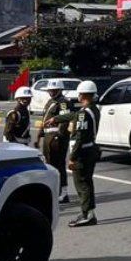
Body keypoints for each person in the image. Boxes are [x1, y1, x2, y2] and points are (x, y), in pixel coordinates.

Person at [48, 80, 101, 227]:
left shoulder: (84, 114)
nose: (77, 96)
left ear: (83, 94)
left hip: (82, 152)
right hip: (91, 149)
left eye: (79, 94)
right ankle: (89, 212)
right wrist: (55, 119)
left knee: (82, 184)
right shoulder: (93, 109)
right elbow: (73, 115)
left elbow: (80, 137)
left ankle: (87, 215)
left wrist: (72, 158)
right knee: (87, 182)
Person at [34, 80, 72, 204]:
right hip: (48, 135)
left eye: (54, 90)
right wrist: (39, 136)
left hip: (57, 136)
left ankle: (64, 192)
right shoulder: (50, 102)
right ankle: (53, 190)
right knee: (49, 164)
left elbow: (65, 120)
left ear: (60, 90)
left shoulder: (64, 103)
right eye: (50, 90)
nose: (51, 92)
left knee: (58, 164)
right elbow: (44, 119)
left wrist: (59, 135)